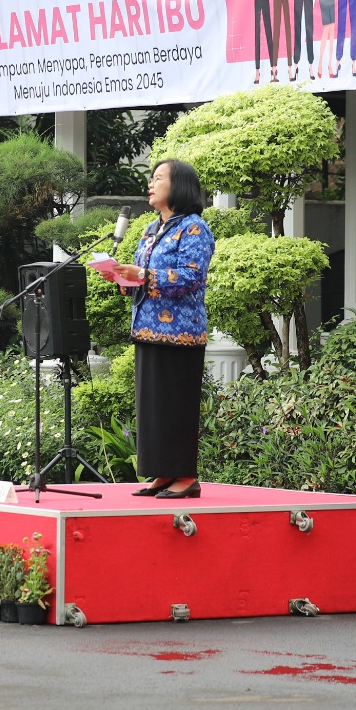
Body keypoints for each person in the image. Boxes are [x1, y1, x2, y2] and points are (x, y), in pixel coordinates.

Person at [99, 161, 215, 499]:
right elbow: (141, 279)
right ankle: (164, 472)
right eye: (151, 179)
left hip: (181, 333)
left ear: (178, 186)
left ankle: (185, 476)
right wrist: (121, 277)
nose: (151, 184)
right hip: (147, 329)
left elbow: (192, 277)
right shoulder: (152, 229)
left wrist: (143, 276)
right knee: (154, 405)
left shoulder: (194, 228)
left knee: (177, 403)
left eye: (158, 178)